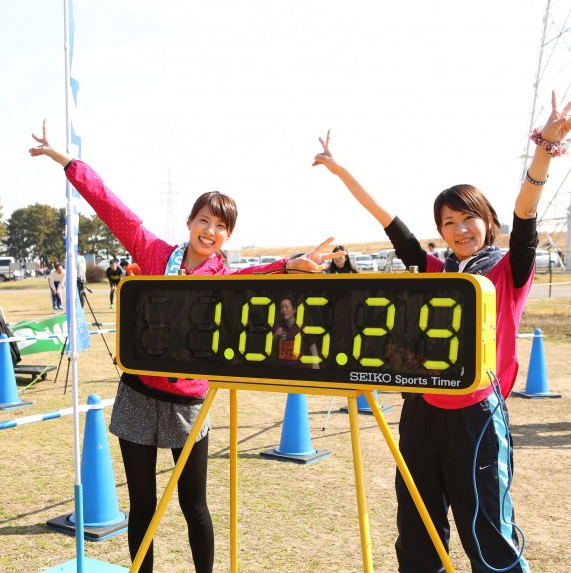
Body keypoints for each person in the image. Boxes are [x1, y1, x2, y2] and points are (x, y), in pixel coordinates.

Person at [30, 119, 339, 573]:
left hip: (189, 404)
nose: (209, 231)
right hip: (137, 395)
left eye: (220, 226)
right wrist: (65, 160)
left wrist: (293, 264)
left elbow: (258, 275)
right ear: (190, 222)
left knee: (194, 506)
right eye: (204, 221)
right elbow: (111, 207)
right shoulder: (155, 254)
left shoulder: (224, 277)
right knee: (142, 505)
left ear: (228, 237)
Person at [313, 90, 571, 572]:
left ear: (488, 220)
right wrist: (341, 171)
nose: (459, 229)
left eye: (468, 218)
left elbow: (526, 211)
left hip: (475, 416)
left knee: (487, 534)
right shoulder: (437, 270)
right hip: (420, 411)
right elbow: (389, 222)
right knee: (417, 534)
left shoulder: (508, 269)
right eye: (448, 222)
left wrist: (545, 147)